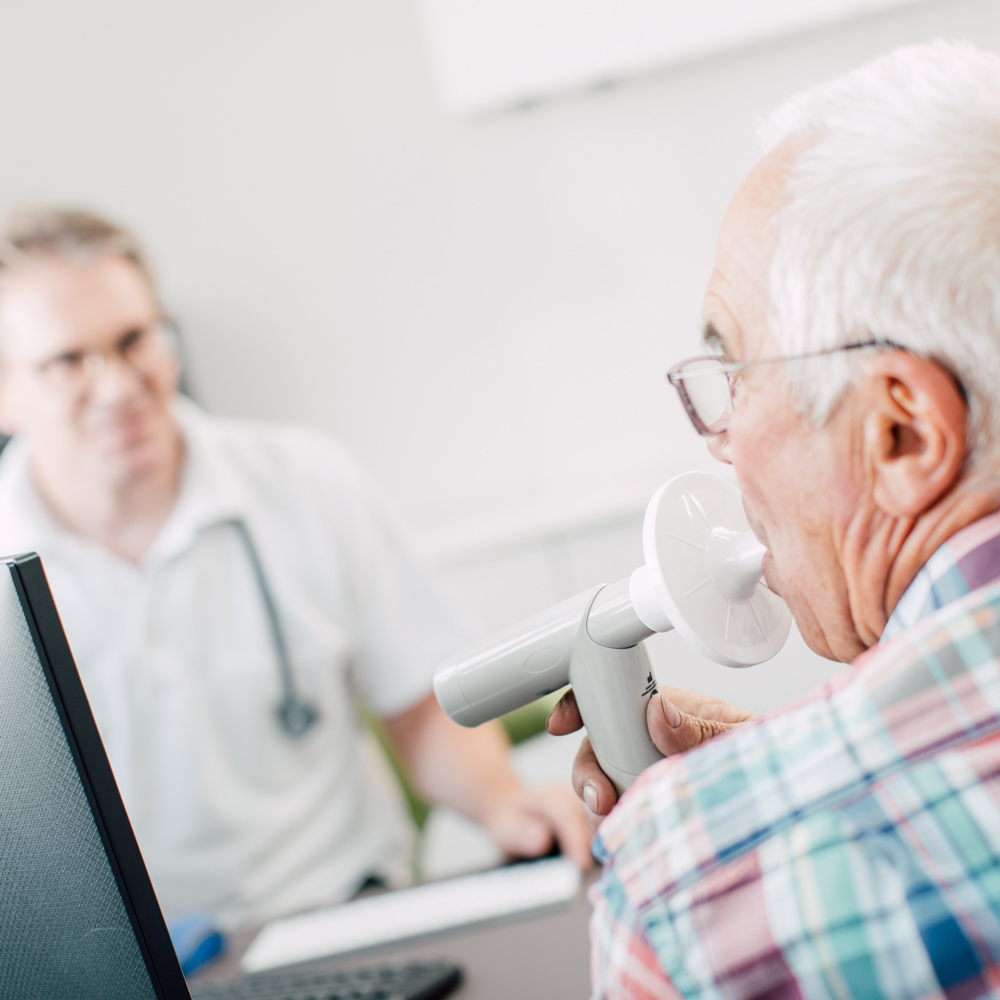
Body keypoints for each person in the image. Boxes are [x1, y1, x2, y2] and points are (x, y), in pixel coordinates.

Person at [548, 40, 1000, 997]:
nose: (720, 439)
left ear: (902, 434)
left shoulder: (687, 899)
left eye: (737, 374)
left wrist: (733, 824)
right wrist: (784, 775)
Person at [0, 209, 591, 931]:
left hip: (345, 917)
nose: (121, 385)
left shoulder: (305, 482)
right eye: (70, 362)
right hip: (135, 961)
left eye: (135, 341)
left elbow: (418, 705)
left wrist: (501, 800)